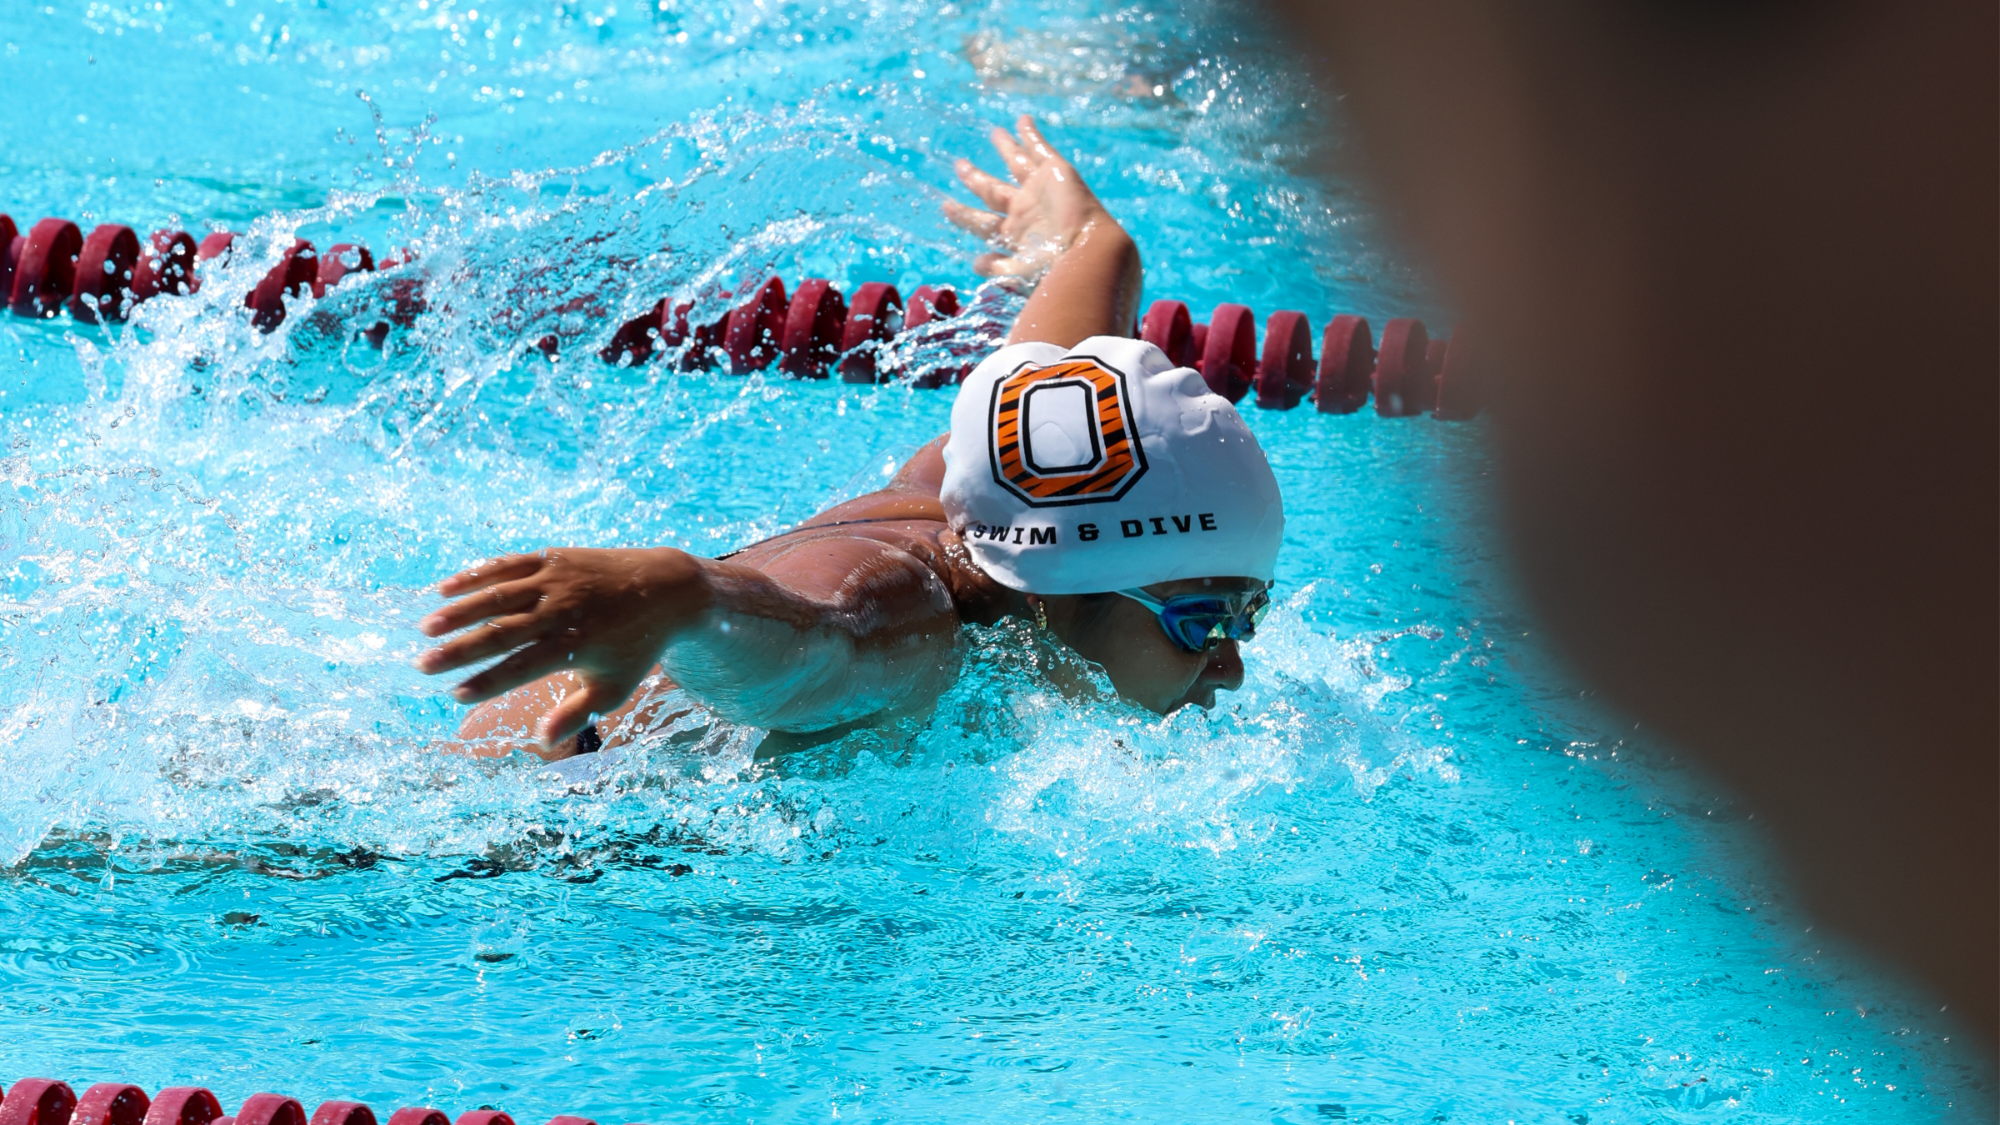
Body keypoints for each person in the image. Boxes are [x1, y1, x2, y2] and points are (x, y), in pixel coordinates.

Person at [415, 117, 1285, 760]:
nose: (1232, 668)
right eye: (1202, 622)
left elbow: (1068, 329)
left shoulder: (1006, 464)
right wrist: (683, 595)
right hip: (513, 816)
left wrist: (1091, 243)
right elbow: (813, 645)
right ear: (1057, 591)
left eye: (1246, 613)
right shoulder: (918, 623)